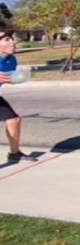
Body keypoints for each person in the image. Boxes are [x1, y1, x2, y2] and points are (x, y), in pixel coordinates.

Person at [0, 29, 35, 163]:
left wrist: (20, 76)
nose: (12, 42)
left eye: (12, 39)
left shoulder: (11, 60)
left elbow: (9, 78)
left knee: (14, 121)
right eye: (6, 39)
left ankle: (14, 154)